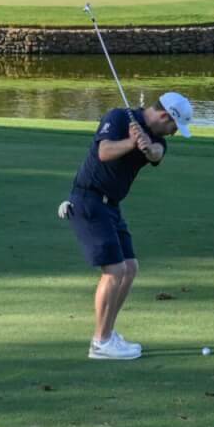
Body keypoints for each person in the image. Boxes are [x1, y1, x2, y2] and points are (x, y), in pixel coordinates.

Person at [62, 92, 196, 360]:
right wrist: (132, 142)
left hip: (111, 206)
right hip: (89, 199)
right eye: (172, 126)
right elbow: (104, 152)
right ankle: (100, 343)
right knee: (114, 271)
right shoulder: (118, 117)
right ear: (163, 116)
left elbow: (157, 154)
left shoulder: (156, 138)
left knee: (130, 268)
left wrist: (146, 146)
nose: (172, 133)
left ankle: (108, 334)